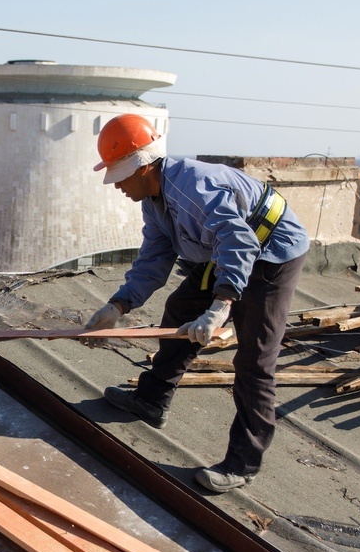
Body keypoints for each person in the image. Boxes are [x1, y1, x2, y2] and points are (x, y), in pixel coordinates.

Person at [84, 113, 310, 493]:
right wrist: (119, 306)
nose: (116, 185)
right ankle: (152, 400)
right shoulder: (154, 200)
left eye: (118, 175)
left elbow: (241, 243)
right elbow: (155, 258)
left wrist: (221, 307)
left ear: (141, 168)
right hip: (222, 253)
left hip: (271, 252)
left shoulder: (193, 188)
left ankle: (242, 464)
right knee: (180, 309)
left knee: (255, 361)